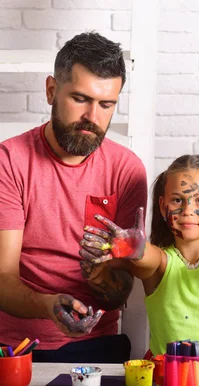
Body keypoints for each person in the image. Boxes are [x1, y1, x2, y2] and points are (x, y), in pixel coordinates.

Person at [0, 32, 147, 362]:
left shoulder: (127, 170)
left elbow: (120, 291)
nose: (93, 117)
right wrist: (47, 305)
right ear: (52, 90)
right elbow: (2, 278)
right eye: (80, 99)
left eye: (106, 104)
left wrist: (98, 277)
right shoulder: (9, 161)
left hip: (97, 344)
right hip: (17, 347)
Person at [80, 155, 199, 364]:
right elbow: (149, 258)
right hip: (168, 373)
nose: (187, 211)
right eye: (177, 200)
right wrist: (135, 250)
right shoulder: (161, 262)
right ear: (162, 204)